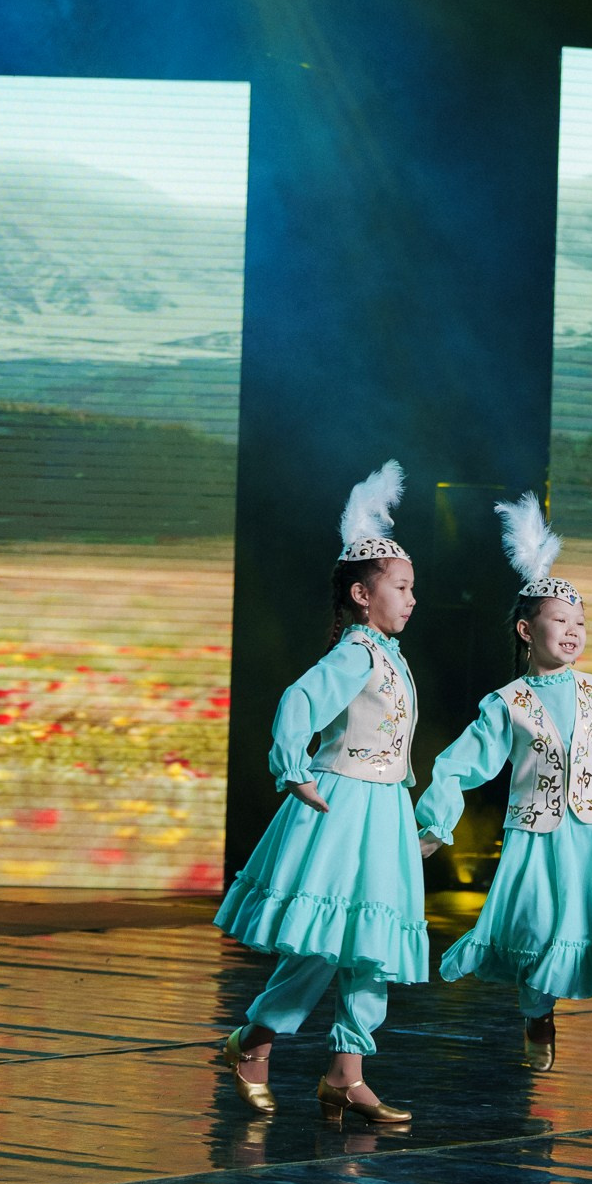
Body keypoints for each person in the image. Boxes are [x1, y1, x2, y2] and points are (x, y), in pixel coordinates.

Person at [418, 493, 592, 1107]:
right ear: (526, 630)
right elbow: (459, 763)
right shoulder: (507, 703)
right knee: (539, 935)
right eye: (560, 620)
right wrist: (436, 822)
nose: (572, 631)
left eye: (579, 623)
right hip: (536, 838)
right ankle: (538, 1013)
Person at [214, 462, 440, 1128]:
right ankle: (255, 1040)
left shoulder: (390, 656)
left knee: (373, 941)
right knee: (324, 940)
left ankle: (347, 1073)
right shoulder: (357, 653)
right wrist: (295, 769)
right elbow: (299, 701)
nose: (412, 599)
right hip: (343, 806)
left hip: (384, 807)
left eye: (413, 588)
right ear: (363, 595)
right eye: (401, 587)